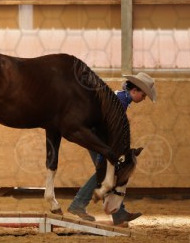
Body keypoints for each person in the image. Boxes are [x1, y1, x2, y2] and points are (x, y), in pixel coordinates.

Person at [67, 72, 156, 225]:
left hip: (95, 135)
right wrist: (105, 155)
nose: (143, 99)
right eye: (143, 95)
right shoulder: (120, 101)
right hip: (95, 137)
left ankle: (118, 214)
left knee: (109, 172)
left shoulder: (121, 98)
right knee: (105, 172)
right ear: (134, 90)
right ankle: (78, 204)